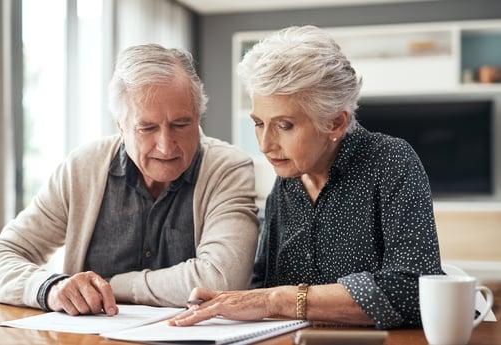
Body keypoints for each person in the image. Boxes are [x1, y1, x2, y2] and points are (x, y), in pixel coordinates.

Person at [168, 25, 443, 330]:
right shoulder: (285, 183)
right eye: (259, 123)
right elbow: (266, 283)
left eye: (284, 126)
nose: (265, 144)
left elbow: (413, 290)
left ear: (336, 123)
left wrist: (276, 301)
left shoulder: (391, 162)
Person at [0, 43, 260, 316]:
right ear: (121, 126)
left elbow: (223, 279)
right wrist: (51, 288)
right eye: (147, 127)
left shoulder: (227, 168)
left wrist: (113, 285)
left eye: (180, 124)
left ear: (198, 117)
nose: (166, 145)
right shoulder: (82, 169)